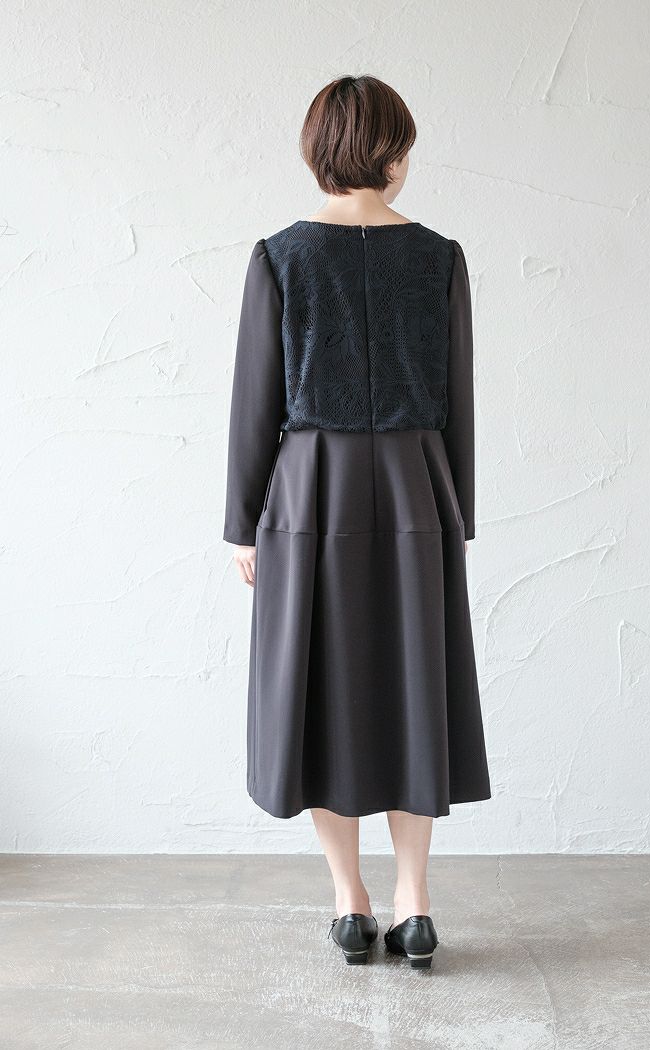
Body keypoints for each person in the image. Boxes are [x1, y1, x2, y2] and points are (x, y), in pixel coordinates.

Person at [223, 75, 491, 969]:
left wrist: (241, 524)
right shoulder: (439, 258)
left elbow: (255, 402)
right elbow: (458, 397)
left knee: (321, 692)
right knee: (416, 688)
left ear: (318, 151)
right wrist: (457, 512)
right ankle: (415, 904)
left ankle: (350, 902)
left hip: (310, 493)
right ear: (396, 153)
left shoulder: (280, 257)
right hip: (417, 485)